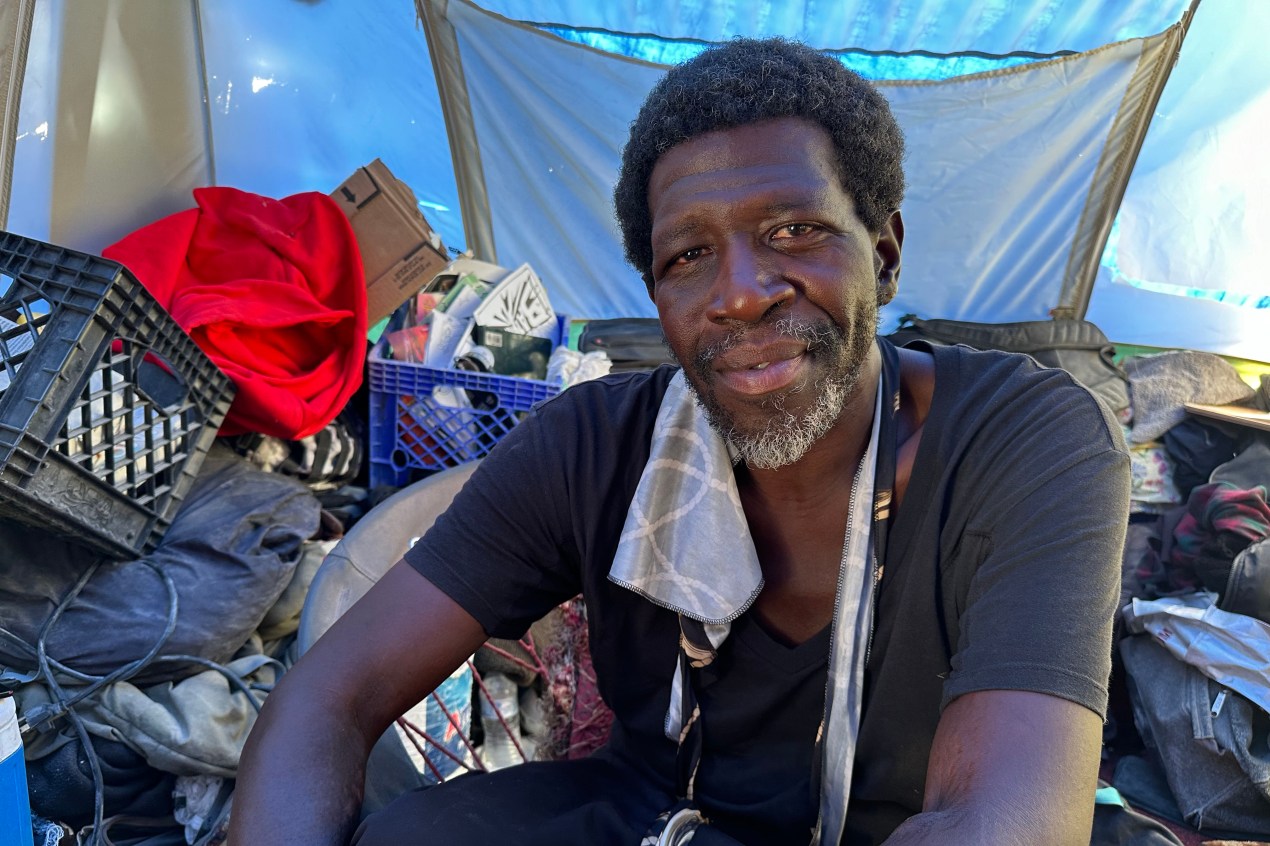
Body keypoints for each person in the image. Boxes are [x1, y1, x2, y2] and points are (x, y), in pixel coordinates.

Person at [232, 37, 1130, 845]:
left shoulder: (1025, 443)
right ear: (659, 298)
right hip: (659, 819)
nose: (740, 293)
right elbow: (329, 696)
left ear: (885, 254)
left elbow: (1002, 825)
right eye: (688, 256)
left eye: (794, 229)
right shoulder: (595, 448)